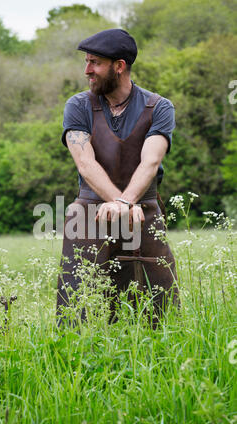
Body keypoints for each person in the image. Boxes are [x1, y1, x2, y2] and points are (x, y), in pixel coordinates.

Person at [56, 28, 179, 326]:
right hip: (88, 211)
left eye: (95, 62)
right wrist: (120, 202)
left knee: (157, 309)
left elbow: (151, 161)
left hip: (144, 211)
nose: (87, 70)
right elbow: (85, 162)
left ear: (119, 66)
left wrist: (127, 201)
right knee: (75, 305)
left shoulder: (159, 107)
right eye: (86, 62)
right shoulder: (78, 105)